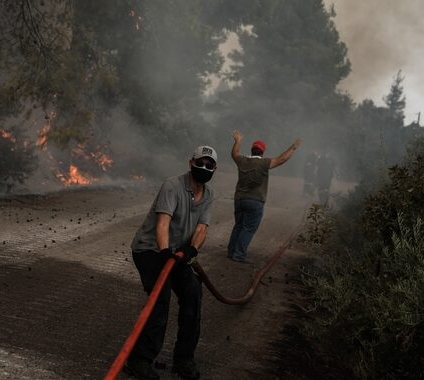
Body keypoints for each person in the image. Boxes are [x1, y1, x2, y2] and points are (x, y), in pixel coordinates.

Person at [124, 145, 217, 380]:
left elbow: (202, 228)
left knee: (193, 293)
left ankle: (184, 358)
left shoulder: (208, 195)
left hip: (177, 254)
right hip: (151, 250)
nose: (203, 168)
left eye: (209, 165)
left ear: (214, 169)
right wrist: (165, 251)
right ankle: (139, 360)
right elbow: (163, 222)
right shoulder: (172, 186)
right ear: (190, 163)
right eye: (200, 163)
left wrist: (192, 249)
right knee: (160, 297)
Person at [227, 130, 301, 263]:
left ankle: (231, 252)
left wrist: (237, 141)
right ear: (263, 151)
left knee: (238, 225)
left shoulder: (242, 160)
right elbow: (282, 159)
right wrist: (293, 147)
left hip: (239, 199)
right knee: (248, 228)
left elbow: (234, 153)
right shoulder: (264, 163)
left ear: (252, 150)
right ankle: (239, 255)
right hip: (255, 201)